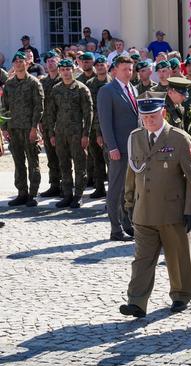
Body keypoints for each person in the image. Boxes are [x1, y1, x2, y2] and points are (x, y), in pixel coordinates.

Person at [119, 92, 191, 318]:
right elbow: (132, 171)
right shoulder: (135, 137)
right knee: (142, 260)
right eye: (144, 117)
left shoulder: (178, 138)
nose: (148, 121)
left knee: (177, 257)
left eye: (153, 117)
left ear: (163, 113)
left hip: (172, 212)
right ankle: (136, 301)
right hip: (143, 211)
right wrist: (127, 203)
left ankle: (181, 294)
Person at [98, 55, 140, 241]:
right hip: (118, 149)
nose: (128, 72)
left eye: (130, 69)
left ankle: (127, 224)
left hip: (133, 148)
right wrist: (112, 147)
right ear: (115, 70)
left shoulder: (133, 89)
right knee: (115, 189)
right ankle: (115, 229)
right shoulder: (107, 91)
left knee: (129, 189)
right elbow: (105, 122)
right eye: (124, 69)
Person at [47, 58, 93, 209]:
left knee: (80, 166)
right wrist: (51, 134)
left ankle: (78, 196)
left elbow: (88, 114)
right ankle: (67, 195)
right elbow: (51, 113)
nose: (66, 72)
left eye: (68, 69)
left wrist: (86, 134)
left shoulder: (81, 89)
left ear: (73, 70)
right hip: (60, 134)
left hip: (77, 134)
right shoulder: (56, 89)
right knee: (64, 165)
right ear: (59, 71)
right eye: (63, 70)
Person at [1, 51, 44, 208]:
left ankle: (33, 194)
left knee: (33, 162)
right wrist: (4, 128)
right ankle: (22, 193)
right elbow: (3, 108)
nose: (19, 63)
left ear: (27, 63)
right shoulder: (9, 85)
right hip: (13, 129)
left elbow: (39, 107)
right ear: (13, 65)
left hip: (28, 129)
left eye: (21, 61)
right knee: (18, 163)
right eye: (16, 61)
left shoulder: (33, 83)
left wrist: (34, 128)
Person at [86, 55, 112, 199]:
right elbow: (89, 107)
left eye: (103, 65)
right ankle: (100, 187)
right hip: (93, 126)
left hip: (109, 126)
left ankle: (112, 190)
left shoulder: (113, 83)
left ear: (107, 66)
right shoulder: (90, 84)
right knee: (96, 158)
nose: (100, 67)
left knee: (110, 159)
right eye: (98, 65)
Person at [39, 51, 63, 198]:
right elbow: (40, 104)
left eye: (53, 60)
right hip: (47, 124)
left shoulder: (64, 80)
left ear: (58, 62)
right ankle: (54, 184)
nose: (50, 63)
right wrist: (40, 122)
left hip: (62, 124)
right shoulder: (43, 82)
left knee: (63, 156)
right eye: (47, 61)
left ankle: (65, 185)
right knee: (51, 157)